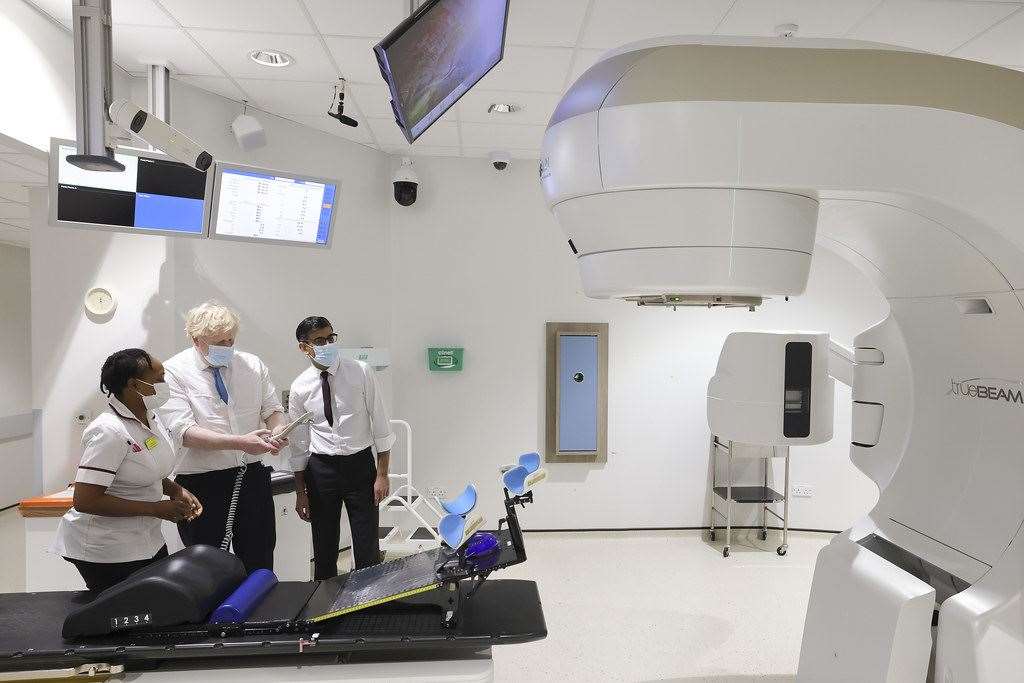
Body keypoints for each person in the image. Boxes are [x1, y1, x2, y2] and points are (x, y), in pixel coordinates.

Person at [52, 349, 203, 592]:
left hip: (145, 540)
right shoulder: (108, 431)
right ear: (134, 385)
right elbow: (85, 500)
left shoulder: (151, 418)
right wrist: (156, 509)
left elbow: (146, 467)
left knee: (158, 606)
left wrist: (175, 489)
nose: (166, 385)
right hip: (106, 550)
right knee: (127, 616)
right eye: (159, 379)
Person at [159, 302, 288, 574]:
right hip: (200, 483)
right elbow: (184, 432)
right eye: (219, 342)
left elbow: (273, 410)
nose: (227, 347)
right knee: (206, 566)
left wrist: (278, 432)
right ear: (196, 340)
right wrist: (241, 442)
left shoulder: (251, 365)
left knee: (260, 556)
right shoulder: (173, 372)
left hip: (251, 476)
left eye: (231, 340)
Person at [287, 316, 396, 578]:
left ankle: (369, 603)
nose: (327, 344)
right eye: (319, 341)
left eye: (330, 338)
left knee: (366, 538)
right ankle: (326, 606)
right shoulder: (300, 387)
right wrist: (300, 491)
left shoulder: (360, 371)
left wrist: (382, 474)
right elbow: (299, 444)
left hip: (360, 465)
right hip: (321, 469)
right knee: (324, 541)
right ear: (304, 347)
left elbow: (380, 425)